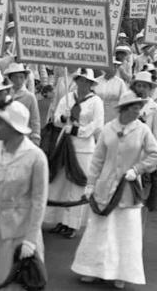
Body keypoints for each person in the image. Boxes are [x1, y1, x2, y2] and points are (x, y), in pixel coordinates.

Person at [71, 91, 157, 289]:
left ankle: (121, 273)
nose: (139, 111)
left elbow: (156, 155)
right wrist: (90, 184)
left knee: (125, 233)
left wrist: (137, 169)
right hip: (105, 188)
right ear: (124, 109)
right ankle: (92, 270)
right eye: (135, 107)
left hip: (129, 190)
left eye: (140, 107)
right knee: (100, 230)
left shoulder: (143, 130)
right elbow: (97, 159)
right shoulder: (107, 129)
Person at [0, 101, 48, 291]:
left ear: (13, 127)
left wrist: (30, 239)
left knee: (10, 282)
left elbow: (39, 201)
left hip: (18, 233)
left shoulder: (36, 157)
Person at [46, 68, 104, 239]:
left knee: (77, 184)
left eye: (86, 81)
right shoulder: (68, 97)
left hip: (83, 147)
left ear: (91, 84)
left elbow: (98, 124)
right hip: (65, 144)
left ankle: (73, 223)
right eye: (80, 80)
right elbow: (56, 118)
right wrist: (63, 119)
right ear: (76, 81)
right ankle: (60, 220)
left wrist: (79, 130)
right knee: (60, 182)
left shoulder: (96, 101)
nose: (83, 83)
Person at [4, 63, 42, 145]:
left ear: (25, 78)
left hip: (24, 137)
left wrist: (35, 138)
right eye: (15, 77)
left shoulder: (30, 97)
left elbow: (35, 119)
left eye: (21, 77)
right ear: (11, 78)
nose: (18, 80)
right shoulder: (5, 95)